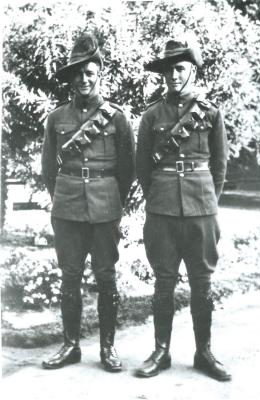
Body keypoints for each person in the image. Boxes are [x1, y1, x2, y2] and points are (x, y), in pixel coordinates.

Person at [135, 38, 231, 381]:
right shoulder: (152, 115)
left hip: (201, 209)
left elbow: (219, 166)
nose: (173, 75)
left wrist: (206, 201)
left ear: (192, 70)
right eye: (168, 69)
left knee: (202, 284)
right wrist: (158, 198)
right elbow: (142, 167)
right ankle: (161, 351)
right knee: (163, 282)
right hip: (162, 210)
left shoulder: (211, 113)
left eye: (180, 68)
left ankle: (204, 352)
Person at [41, 33, 135, 372]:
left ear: (100, 76)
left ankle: (107, 348)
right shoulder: (56, 119)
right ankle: (70, 346)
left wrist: (110, 198)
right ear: (71, 77)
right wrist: (65, 197)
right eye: (78, 73)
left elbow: (127, 169)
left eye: (90, 73)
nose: (83, 79)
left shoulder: (118, 118)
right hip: (67, 208)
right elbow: (49, 169)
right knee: (69, 276)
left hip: (105, 205)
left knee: (106, 276)